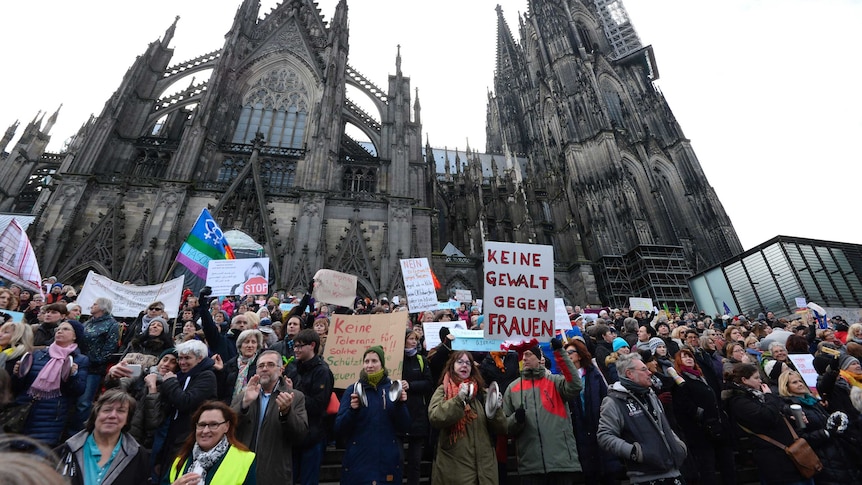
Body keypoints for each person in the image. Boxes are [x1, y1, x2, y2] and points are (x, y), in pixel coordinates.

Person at [597, 352, 687, 484]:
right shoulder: (614, 401)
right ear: (629, 374)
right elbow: (604, 436)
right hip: (645, 478)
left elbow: (663, 425)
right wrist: (634, 452)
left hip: (674, 472)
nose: (649, 372)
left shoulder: (651, 394)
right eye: (644, 369)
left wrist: (677, 445)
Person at [502, 338, 583, 484]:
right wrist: (516, 420)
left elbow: (575, 385)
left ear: (540, 359)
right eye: (522, 356)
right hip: (531, 467)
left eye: (528, 354)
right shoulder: (512, 389)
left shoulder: (555, 382)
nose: (524, 358)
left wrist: (560, 352)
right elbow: (505, 425)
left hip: (561, 464)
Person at [723, 363, 813, 485]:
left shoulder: (755, 396)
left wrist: (790, 416)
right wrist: (770, 396)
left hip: (786, 455)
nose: (760, 381)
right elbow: (767, 416)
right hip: (775, 459)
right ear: (744, 380)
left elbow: (777, 411)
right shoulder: (739, 401)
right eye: (756, 378)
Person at [335, 346, 410, 485]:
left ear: (382, 363)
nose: (370, 365)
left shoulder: (393, 389)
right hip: (359, 462)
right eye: (366, 361)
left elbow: (405, 426)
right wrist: (352, 410)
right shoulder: (353, 390)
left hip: (387, 462)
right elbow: (339, 428)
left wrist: (401, 404)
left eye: (374, 361)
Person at [428, 350, 505, 485]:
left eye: (468, 363)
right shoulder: (443, 390)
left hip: (484, 471)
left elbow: (502, 428)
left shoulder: (481, 393)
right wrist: (458, 400)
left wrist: (496, 409)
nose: (465, 365)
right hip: (455, 471)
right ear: (452, 366)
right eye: (460, 362)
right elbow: (435, 417)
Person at [233, 350, 308, 485]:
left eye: (270, 365)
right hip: (242, 470)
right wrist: (244, 404)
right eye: (261, 366)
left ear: (280, 370)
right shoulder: (244, 395)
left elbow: (300, 435)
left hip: (274, 472)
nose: (265, 369)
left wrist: (286, 413)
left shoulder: (295, 397)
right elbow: (227, 426)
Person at [11, 320, 89, 447]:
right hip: (24, 413)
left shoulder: (79, 360)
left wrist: (72, 375)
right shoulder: (37, 355)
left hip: (51, 418)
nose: (59, 331)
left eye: (66, 329)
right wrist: (17, 374)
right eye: (58, 329)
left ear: (75, 336)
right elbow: (17, 387)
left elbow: (78, 390)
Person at [778, 370, 861, 484]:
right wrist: (825, 433)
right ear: (786, 387)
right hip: (822, 458)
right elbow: (801, 437)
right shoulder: (792, 409)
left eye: (800, 381)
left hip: (838, 451)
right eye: (794, 382)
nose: (800, 384)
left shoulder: (815, 402)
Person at [670, 348, 736, 485]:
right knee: (707, 469)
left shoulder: (701, 377)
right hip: (701, 431)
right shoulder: (681, 380)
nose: (689, 359)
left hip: (717, 426)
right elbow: (684, 404)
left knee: (728, 465)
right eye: (684, 357)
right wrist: (701, 414)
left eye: (690, 356)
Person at [56, 389, 149, 485]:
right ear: (95, 414)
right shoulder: (65, 452)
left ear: (127, 420)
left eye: (121, 411)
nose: (113, 415)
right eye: (107, 410)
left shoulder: (138, 456)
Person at [156, 340, 218, 478]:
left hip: (188, 438)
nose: (182, 362)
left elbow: (185, 402)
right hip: (172, 437)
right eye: (180, 358)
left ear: (200, 358)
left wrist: (170, 382)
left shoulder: (207, 376)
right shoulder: (182, 376)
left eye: (187, 358)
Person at [564, 338, 621, 485]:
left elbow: (606, 398)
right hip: (579, 429)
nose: (567, 355)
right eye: (565, 353)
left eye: (570, 352)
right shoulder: (563, 379)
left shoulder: (594, 374)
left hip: (598, 424)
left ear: (580, 355)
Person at [164, 401, 256, 485]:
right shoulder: (181, 459)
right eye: (202, 425)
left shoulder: (245, 460)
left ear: (226, 426)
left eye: (213, 425)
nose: (205, 430)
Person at [284, 328, 334, 485]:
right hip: (294, 433)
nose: (296, 350)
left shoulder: (322, 371)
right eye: (295, 346)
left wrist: (293, 393)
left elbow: (318, 406)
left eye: (300, 346)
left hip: (313, 435)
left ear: (312, 345)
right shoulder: (294, 368)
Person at [75, 297, 121, 431]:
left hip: (93, 369)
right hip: (79, 365)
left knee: (84, 402)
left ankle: (79, 431)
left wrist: (96, 360)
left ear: (102, 307)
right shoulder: (88, 322)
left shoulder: (112, 324)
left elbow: (110, 348)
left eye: (94, 304)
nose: (91, 306)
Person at [401, 329, 433, 485]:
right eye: (410, 338)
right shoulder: (396, 360)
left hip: (417, 414)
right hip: (399, 412)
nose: (414, 342)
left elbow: (428, 383)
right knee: (397, 459)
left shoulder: (421, 360)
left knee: (415, 461)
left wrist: (410, 385)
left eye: (416, 339)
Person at [215, 329, 262, 403]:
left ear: (257, 346)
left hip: (252, 407)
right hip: (230, 406)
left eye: (253, 342)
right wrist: (220, 371)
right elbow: (220, 390)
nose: (250, 345)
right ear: (240, 346)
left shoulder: (261, 364)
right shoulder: (230, 364)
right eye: (246, 342)